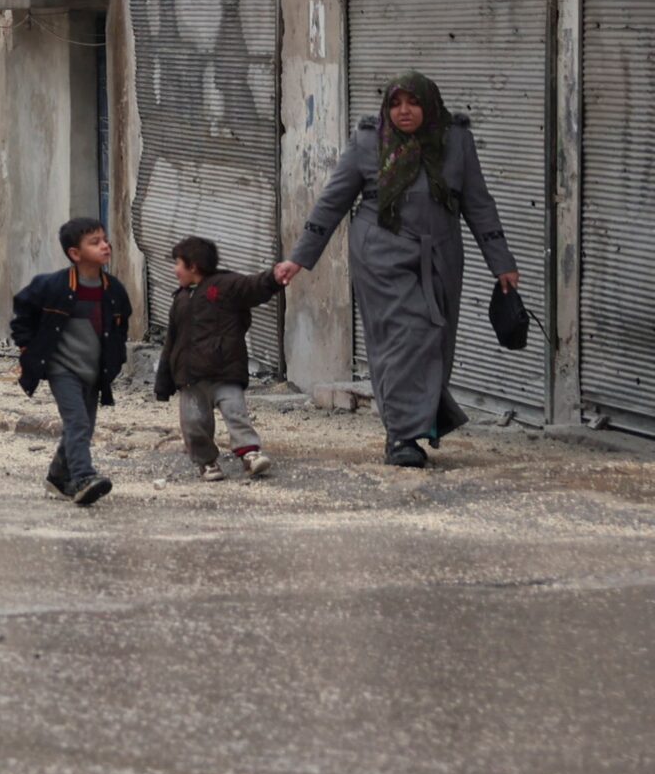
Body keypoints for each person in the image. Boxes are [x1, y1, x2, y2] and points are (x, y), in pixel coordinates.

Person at [277, 71, 519, 467]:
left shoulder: (456, 141)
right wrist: (300, 257)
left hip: (440, 252)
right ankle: (402, 436)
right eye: (395, 104)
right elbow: (333, 201)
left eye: (413, 102)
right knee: (406, 335)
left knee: (435, 337)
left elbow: (478, 203)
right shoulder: (368, 141)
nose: (404, 111)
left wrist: (501, 262)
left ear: (430, 104)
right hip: (381, 254)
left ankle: (423, 420)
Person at [11, 218, 133, 507]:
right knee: (77, 422)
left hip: (94, 371)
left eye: (105, 240)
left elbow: (121, 327)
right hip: (62, 369)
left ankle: (57, 477)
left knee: (83, 427)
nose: (105, 246)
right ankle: (82, 477)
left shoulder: (113, 290)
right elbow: (23, 311)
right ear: (75, 253)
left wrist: (116, 359)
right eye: (95, 242)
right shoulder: (52, 286)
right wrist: (27, 347)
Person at [157, 236, 283, 482]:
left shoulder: (225, 285)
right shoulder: (180, 299)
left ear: (193, 266)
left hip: (225, 371)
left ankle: (250, 454)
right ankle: (207, 463)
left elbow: (253, 286)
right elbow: (172, 341)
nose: (175, 270)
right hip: (191, 378)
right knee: (194, 424)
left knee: (236, 414)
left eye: (177, 263)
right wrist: (164, 382)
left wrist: (274, 277)